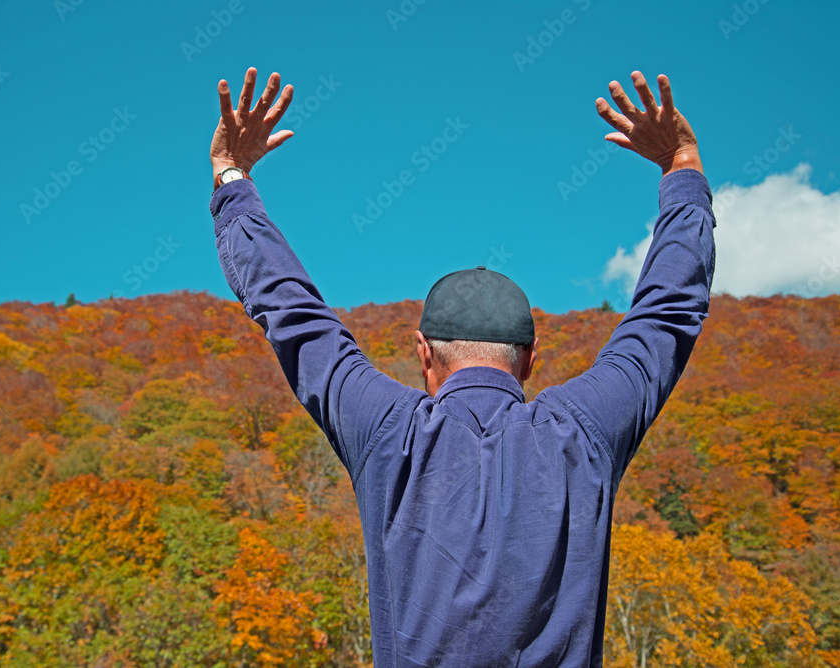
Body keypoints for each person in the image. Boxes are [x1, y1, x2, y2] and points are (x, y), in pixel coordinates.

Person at [208, 67, 715, 667]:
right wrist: (681, 167)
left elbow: (292, 311)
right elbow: (666, 313)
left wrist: (233, 177)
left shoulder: (389, 430)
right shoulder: (582, 429)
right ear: (530, 358)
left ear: (424, 352)